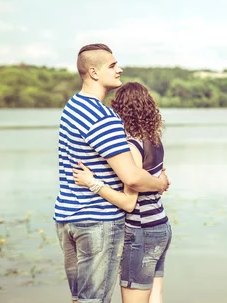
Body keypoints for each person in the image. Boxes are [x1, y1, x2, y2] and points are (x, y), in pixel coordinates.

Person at [54, 43, 170, 303]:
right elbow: (131, 177)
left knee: (81, 298)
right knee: (94, 300)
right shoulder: (103, 118)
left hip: (66, 218)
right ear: (94, 72)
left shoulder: (72, 107)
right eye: (113, 65)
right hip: (97, 221)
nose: (120, 69)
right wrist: (159, 184)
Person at [73, 81, 172, 303]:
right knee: (155, 297)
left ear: (120, 110)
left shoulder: (132, 146)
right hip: (160, 226)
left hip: (141, 229)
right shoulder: (154, 141)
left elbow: (129, 203)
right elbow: (155, 182)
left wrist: (93, 183)